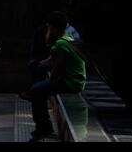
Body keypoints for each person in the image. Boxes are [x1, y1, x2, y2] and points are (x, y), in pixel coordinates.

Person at [22, 11, 86, 142]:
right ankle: (43, 126)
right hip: (76, 81)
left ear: (51, 28)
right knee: (39, 87)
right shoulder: (67, 39)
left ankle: (43, 127)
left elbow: (57, 68)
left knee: (37, 90)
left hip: (71, 83)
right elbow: (54, 59)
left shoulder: (59, 45)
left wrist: (50, 82)